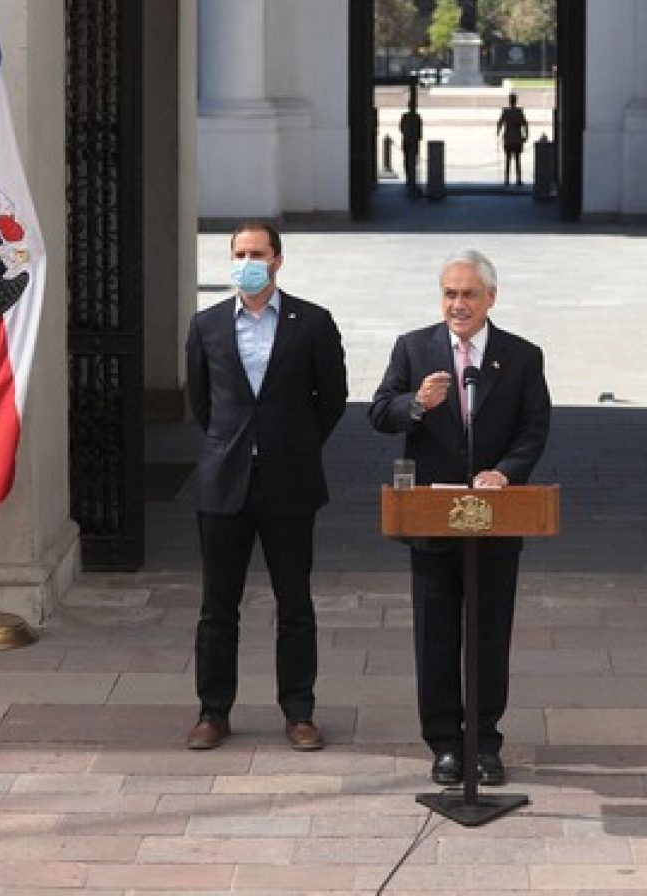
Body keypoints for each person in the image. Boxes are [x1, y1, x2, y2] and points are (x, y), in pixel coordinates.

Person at [368, 249, 551, 787]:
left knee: (490, 633)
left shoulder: (521, 356)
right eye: (450, 293)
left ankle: (485, 743)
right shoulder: (414, 347)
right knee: (437, 633)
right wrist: (416, 404)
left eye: (469, 294)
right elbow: (379, 413)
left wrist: (506, 473)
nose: (458, 303)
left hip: (495, 518)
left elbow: (534, 428)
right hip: (433, 517)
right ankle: (445, 744)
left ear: (491, 298)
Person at [185, 219, 347, 752]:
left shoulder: (313, 322)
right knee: (217, 605)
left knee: (295, 603)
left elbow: (333, 399)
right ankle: (213, 711)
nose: (246, 262)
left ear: (277, 259)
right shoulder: (206, 325)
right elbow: (202, 404)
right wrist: (233, 445)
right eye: (238, 253)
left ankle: (299, 712)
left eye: (256, 252)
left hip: (290, 482)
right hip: (224, 483)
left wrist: (293, 444)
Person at [496, 93, 528, 187]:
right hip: (517, 138)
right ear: (516, 101)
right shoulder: (519, 112)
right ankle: (518, 180)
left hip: (508, 138)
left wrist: (498, 133)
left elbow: (500, 123)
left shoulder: (505, 111)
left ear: (509, 101)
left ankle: (507, 180)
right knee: (518, 160)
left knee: (508, 160)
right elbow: (525, 124)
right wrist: (526, 136)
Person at [399, 99, 423, 196]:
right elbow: (420, 130)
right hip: (413, 141)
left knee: (407, 160)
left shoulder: (405, 116)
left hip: (407, 140)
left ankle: (409, 178)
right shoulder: (417, 117)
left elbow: (401, 128)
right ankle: (412, 177)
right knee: (413, 160)